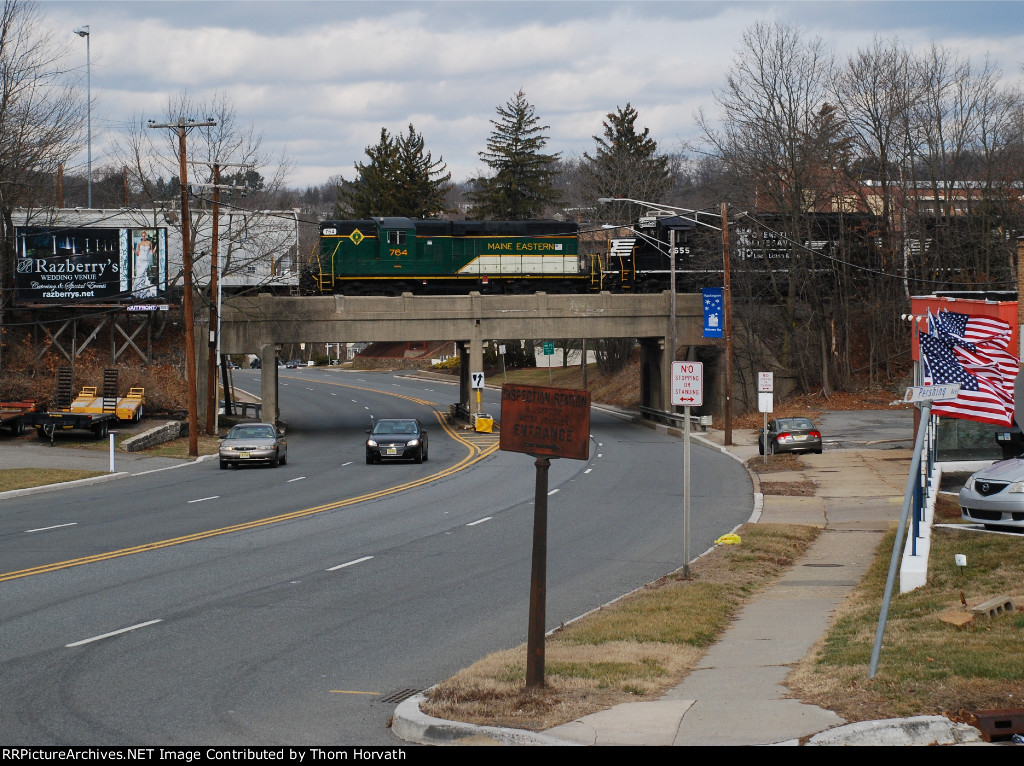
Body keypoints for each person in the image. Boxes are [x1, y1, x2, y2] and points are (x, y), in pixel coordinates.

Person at [132, 230, 157, 298]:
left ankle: (142, 291)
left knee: (143, 273)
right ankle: (138, 292)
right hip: (140, 260)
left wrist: (155, 248)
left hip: (146, 261)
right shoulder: (139, 243)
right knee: (139, 275)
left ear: (146, 236)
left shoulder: (149, 243)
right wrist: (133, 249)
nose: (143, 237)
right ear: (141, 236)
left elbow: (151, 252)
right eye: (142, 236)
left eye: (144, 236)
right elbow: (138, 253)